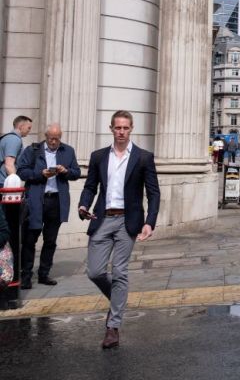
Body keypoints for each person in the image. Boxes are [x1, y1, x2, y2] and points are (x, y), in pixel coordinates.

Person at [78, 110, 160, 349]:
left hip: (129, 221)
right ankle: (118, 299)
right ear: (111, 129)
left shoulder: (144, 158)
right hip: (102, 219)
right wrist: (83, 204)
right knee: (94, 271)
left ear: (131, 128)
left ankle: (112, 327)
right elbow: (90, 186)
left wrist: (150, 222)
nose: (121, 132)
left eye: (125, 128)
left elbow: (154, 193)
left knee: (120, 272)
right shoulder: (99, 156)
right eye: (117, 128)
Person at [15, 123, 80, 289]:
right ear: (46, 136)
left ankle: (44, 274)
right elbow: (21, 171)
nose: (53, 142)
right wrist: (40, 174)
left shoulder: (68, 151)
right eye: (51, 138)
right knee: (30, 240)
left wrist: (65, 171)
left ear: (61, 137)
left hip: (56, 201)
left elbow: (76, 173)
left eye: (57, 139)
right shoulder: (33, 150)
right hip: (36, 201)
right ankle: (26, 275)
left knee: (50, 240)